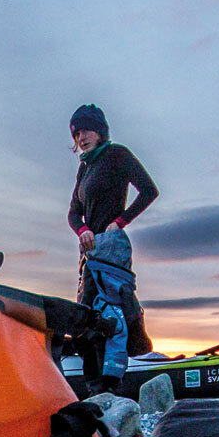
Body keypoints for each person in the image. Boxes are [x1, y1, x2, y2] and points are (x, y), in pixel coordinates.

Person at [67, 104, 158, 385]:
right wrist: (82, 229)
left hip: (112, 246)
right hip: (90, 252)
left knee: (113, 310)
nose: (81, 137)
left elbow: (149, 190)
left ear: (100, 131)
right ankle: (93, 383)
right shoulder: (85, 168)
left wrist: (121, 220)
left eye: (86, 130)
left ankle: (115, 381)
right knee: (87, 314)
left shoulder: (116, 154)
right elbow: (73, 213)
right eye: (76, 133)